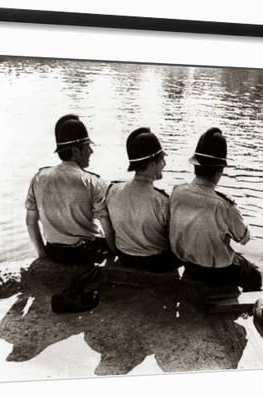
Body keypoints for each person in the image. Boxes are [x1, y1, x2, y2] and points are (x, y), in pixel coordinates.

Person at [25, 114, 115, 312]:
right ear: (76, 150)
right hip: (85, 253)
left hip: (55, 251)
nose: (90, 151)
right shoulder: (92, 182)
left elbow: (31, 222)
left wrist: (42, 254)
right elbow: (108, 229)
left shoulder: (39, 177)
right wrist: (114, 254)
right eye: (87, 146)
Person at [169, 127, 262, 291]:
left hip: (189, 265)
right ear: (220, 171)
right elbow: (244, 238)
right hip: (218, 272)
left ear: (195, 166)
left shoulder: (177, 192)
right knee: (254, 274)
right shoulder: (224, 205)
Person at [106, 128, 181, 272]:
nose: (164, 164)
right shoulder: (162, 200)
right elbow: (174, 240)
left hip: (125, 257)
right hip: (156, 263)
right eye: (161, 160)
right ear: (152, 164)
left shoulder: (112, 190)